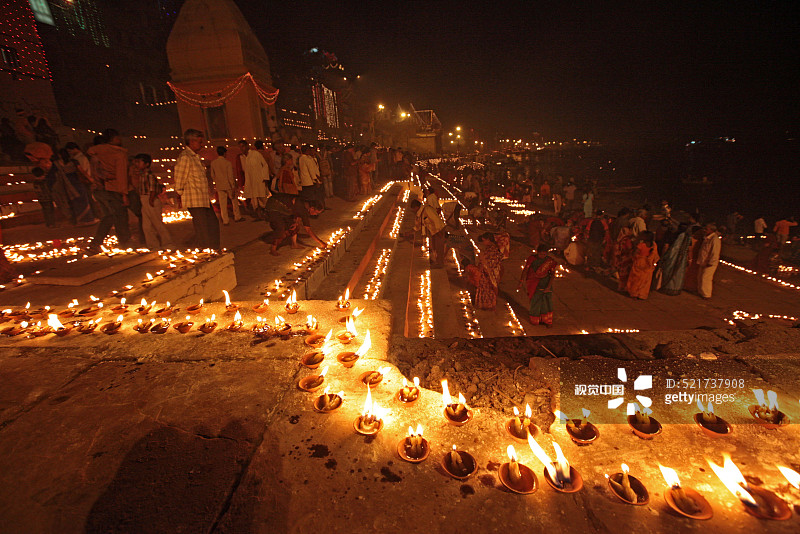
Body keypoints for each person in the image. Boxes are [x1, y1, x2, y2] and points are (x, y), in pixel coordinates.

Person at [174, 129, 220, 250]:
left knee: (212, 224)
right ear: (192, 141)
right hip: (194, 199)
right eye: (199, 142)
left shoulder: (195, 157)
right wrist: (179, 193)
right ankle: (206, 250)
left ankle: (214, 248)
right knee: (202, 227)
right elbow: (179, 178)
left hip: (202, 198)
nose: (201, 144)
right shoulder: (185, 157)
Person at [86, 129, 131, 250]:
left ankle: (96, 243)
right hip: (114, 188)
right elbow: (121, 175)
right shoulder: (118, 154)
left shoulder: (95, 154)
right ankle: (125, 242)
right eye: (118, 138)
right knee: (120, 216)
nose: (120, 140)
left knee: (109, 216)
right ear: (113, 139)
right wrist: (124, 194)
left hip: (99, 188)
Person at [262, 193, 326, 256]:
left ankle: (294, 244)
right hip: (274, 206)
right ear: (312, 208)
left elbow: (297, 214)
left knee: (294, 226)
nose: (316, 215)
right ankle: (273, 249)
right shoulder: (303, 209)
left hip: (285, 210)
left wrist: (296, 222)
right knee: (281, 229)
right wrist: (321, 242)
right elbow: (308, 230)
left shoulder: (306, 206)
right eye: (316, 213)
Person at [131, 153, 174, 250]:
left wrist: (151, 200)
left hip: (150, 199)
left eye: (139, 162)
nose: (137, 164)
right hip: (144, 200)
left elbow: (153, 189)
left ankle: (168, 243)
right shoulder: (142, 175)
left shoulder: (149, 175)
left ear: (146, 164)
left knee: (157, 223)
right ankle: (153, 246)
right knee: (146, 226)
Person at [519, 244, 558, 326]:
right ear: (537, 252)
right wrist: (521, 280)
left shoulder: (550, 261)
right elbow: (526, 269)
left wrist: (548, 287)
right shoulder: (532, 259)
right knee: (535, 301)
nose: (542, 256)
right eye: (541, 254)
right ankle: (535, 320)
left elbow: (552, 274)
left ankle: (546, 320)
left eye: (544, 254)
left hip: (546, 283)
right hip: (534, 283)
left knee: (546, 302)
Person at [467, 232, 504, 310]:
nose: (483, 243)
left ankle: (487, 305)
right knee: (486, 288)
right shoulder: (491, 248)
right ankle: (486, 304)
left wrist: (482, 258)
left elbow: (490, 261)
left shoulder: (492, 249)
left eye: (484, 240)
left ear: (488, 240)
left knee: (487, 288)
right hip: (487, 271)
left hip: (489, 273)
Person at [210, 146, 242, 225]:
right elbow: (230, 176)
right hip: (228, 185)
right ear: (224, 153)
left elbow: (212, 175)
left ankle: (225, 220)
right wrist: (233, 186)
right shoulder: (227, 163)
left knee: (222, 203)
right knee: (234, 201)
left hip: (219, 185)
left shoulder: (213, 163)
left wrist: (216, 181)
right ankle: (237, 217)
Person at [658, 223, 691, 295]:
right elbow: (688, 249)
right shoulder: (687, 237)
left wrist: (663, 256)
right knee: (678, 273)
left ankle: (666, 287)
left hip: (672, 256)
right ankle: (675, 289)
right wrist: (688, 259)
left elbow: (666, 246)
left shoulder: (675, 236)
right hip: (682, 259)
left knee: (668, 271)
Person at [416, 188, 446, 268]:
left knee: (439, 247)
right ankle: (436, 261)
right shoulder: (424, 209)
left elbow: (436, 220)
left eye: (426, 191)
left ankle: (440, 264)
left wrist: (438, 232)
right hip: (434, 229)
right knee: (435, 246)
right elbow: (420, 224)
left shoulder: (427, 208)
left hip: (438, 229)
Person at [239, 140, 269, 216]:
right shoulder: (243, 157)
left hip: (259, 180)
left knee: (263, 198)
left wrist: (265, 177)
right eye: (240, 147)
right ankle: (259, 214)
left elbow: (265, 165)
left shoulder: (255, 154)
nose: (241, 148)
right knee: (254, 198)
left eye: (243, 146)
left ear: (247, 146)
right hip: (251, 181)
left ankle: (269, 212)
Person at [626, 231, 659, 299]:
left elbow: (635, 253)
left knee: (636, 279)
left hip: (639, 262)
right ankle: (642, 295)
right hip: (648, 264)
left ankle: (634, 294)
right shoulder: (654, 245)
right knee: (645, 280)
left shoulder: (641, 245)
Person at [696, 223, 722, 299]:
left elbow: (715, 252)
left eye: (706, 229)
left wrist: (711, 262)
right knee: (700, 277)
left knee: (706, 278)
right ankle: (700, 292)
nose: (705, 230)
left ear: (711, 230)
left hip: (710, 263)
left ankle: (706, 295)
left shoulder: (715, 239)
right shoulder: (707, 238)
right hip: (703, 261)